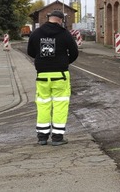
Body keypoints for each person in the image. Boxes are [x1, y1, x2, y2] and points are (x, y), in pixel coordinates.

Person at [27, 10, 79, 145]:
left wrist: (43, 61)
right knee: (60, 105)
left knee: (43, 105)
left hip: (42, 75)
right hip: (60, 75)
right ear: (61, 20)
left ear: (49, 18)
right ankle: (57, 138)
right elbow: (74, 52)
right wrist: (64, 62)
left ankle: (42, 137)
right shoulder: (64, 34)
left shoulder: (36, 33)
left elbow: (30, 52)